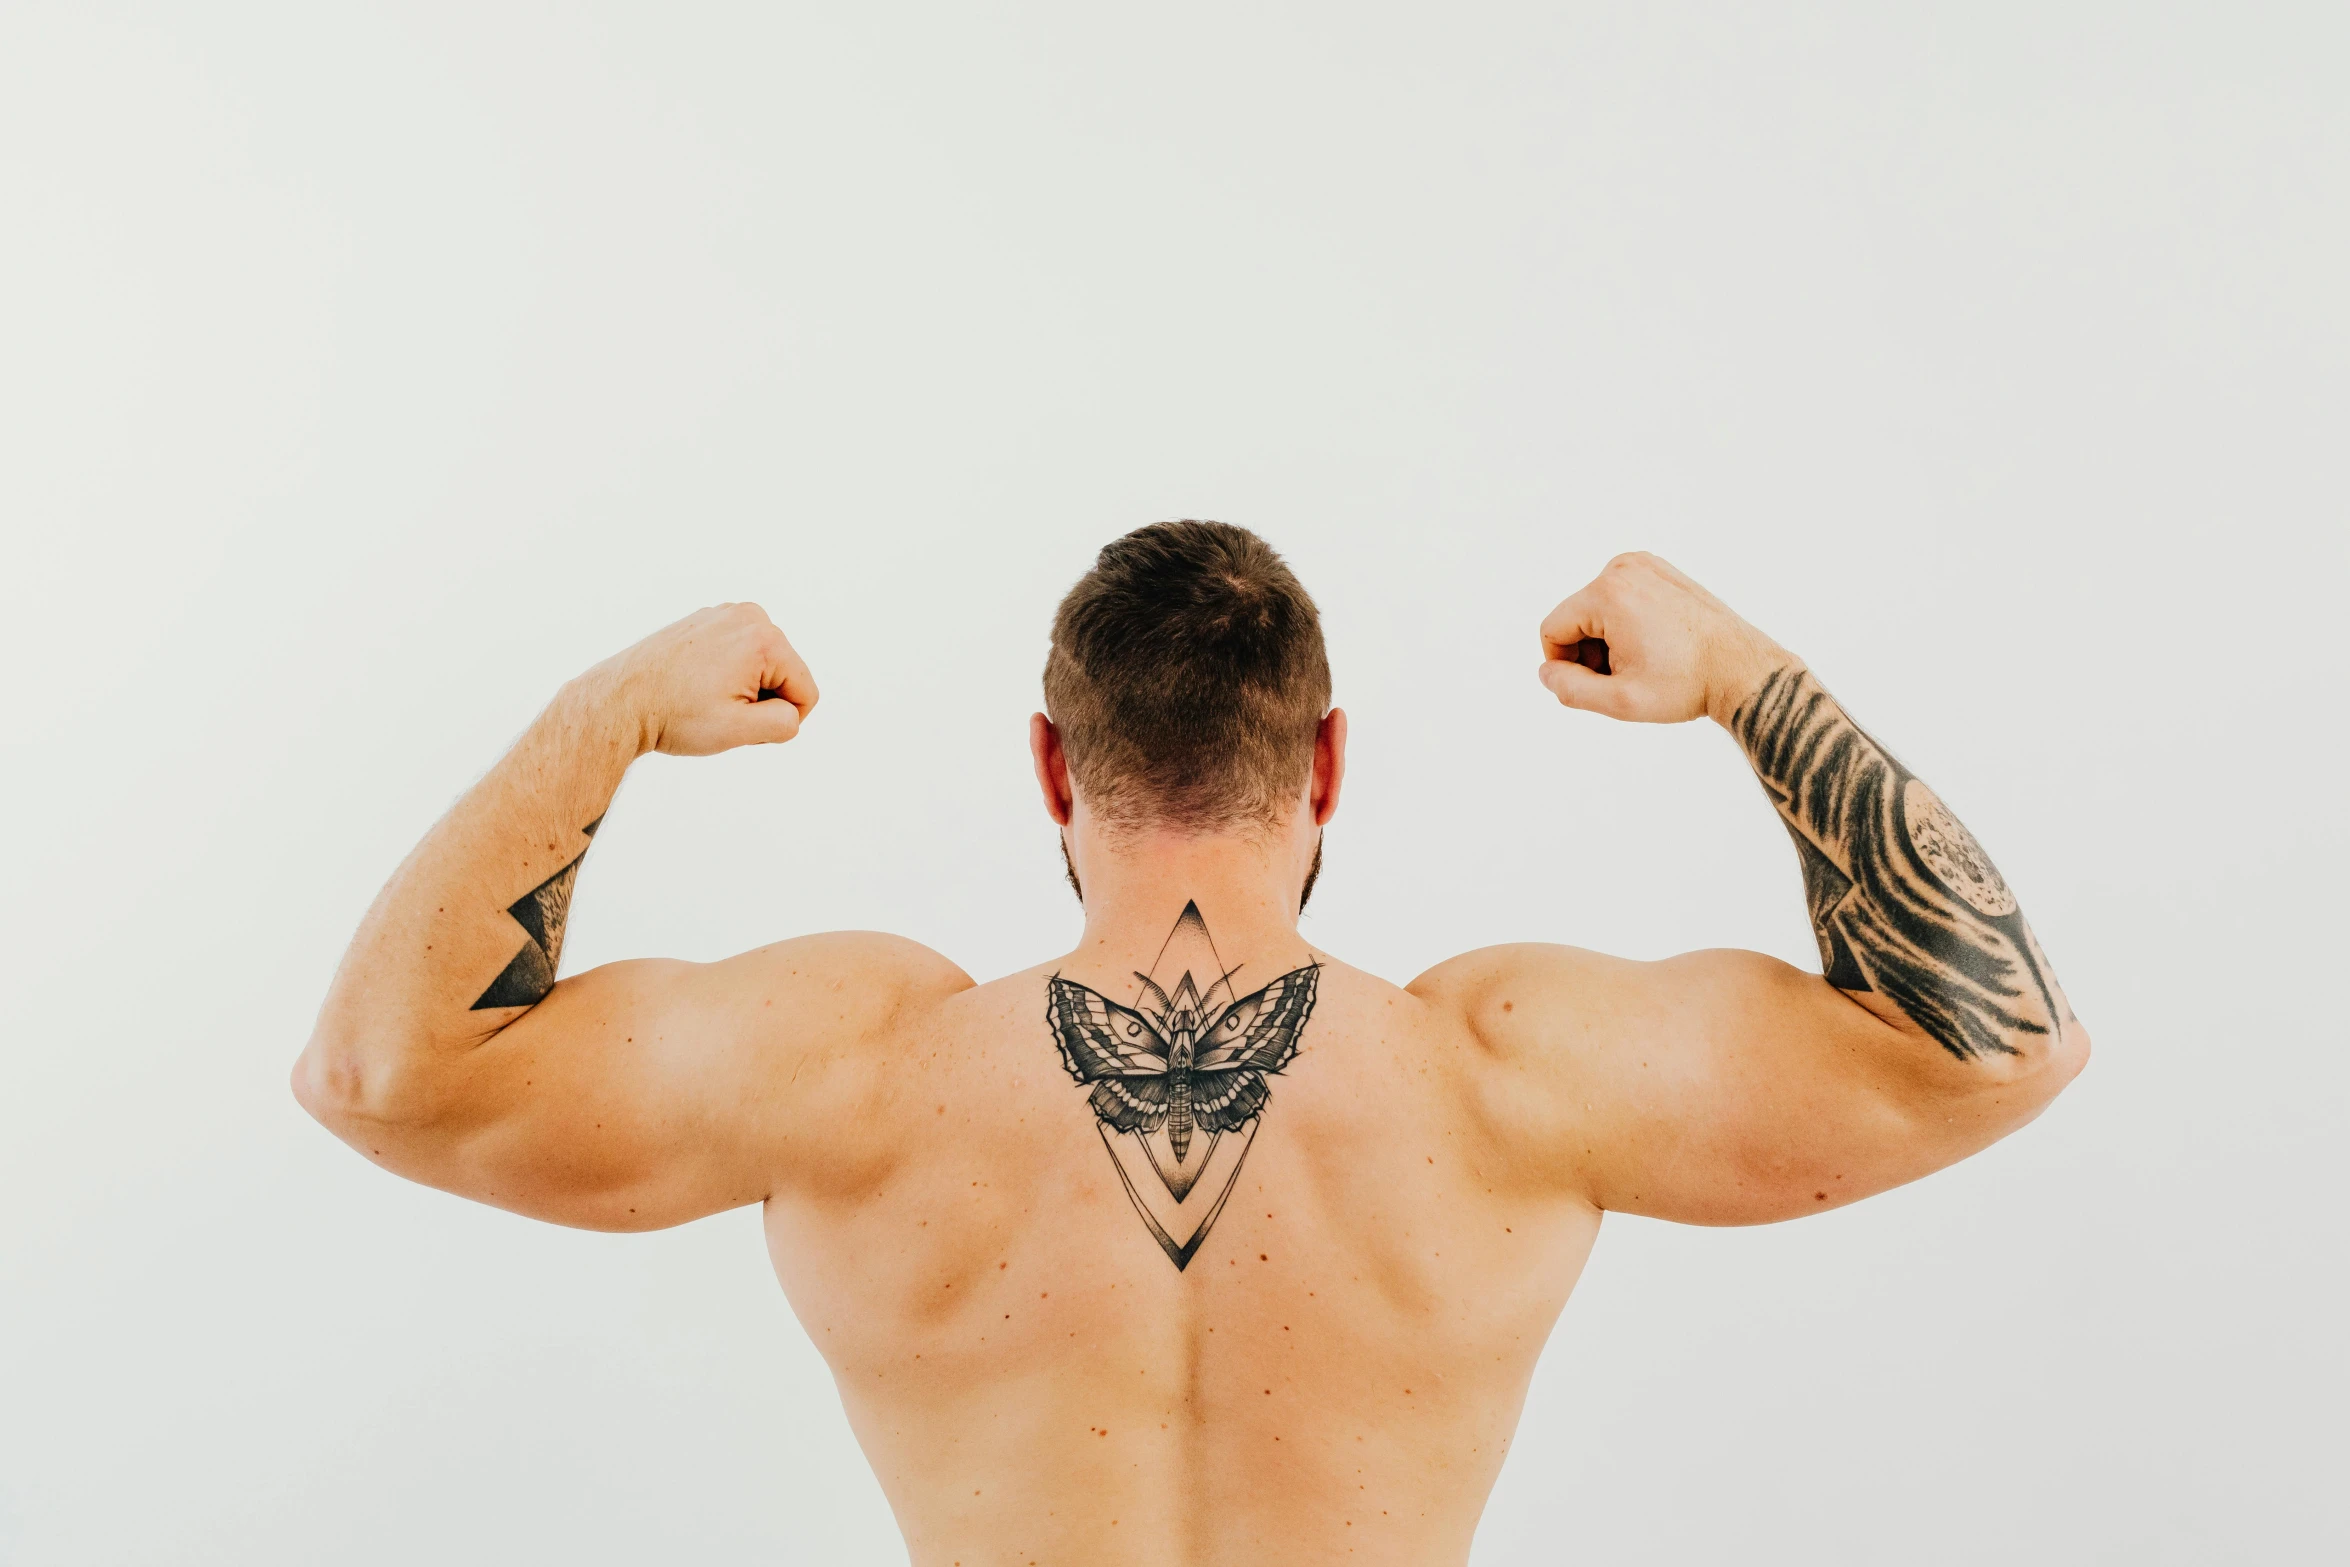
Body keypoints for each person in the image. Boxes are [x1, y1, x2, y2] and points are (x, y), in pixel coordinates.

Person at [294, 522, 2087, 1565]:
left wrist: (605, 706)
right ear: (1320, 765)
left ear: (1053, 767)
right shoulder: (1503, 1074)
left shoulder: (853, 1067)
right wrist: (1747, 673)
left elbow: (384, 1073)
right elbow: (1990, 1045)